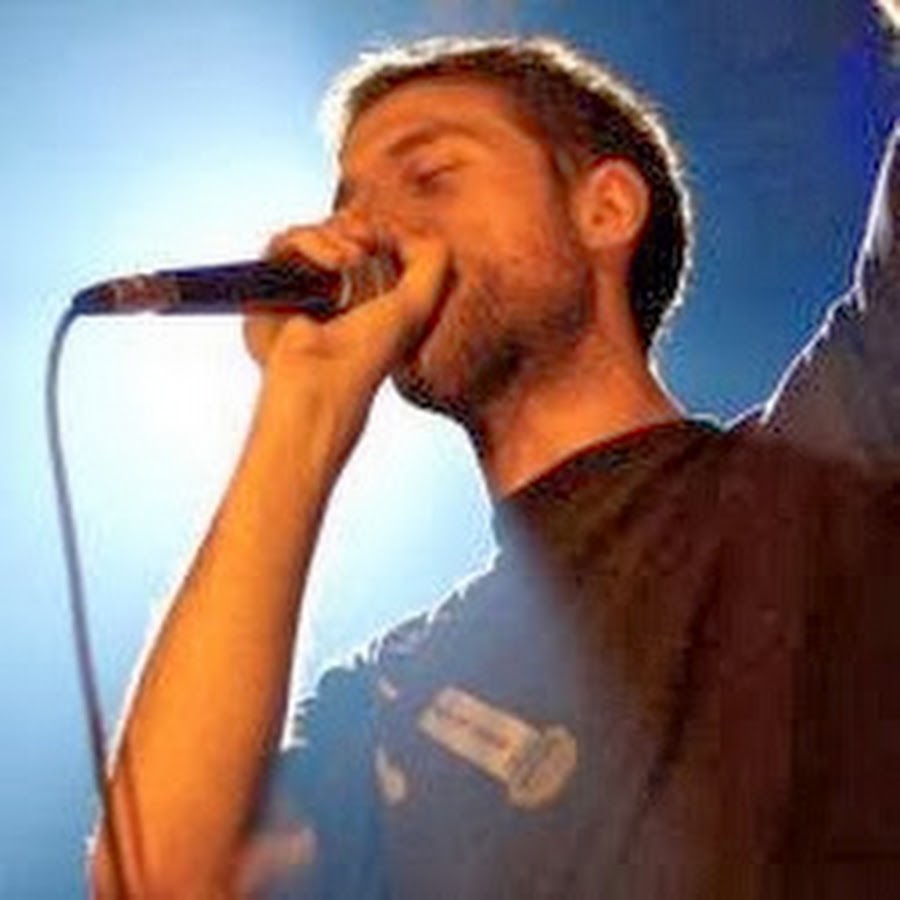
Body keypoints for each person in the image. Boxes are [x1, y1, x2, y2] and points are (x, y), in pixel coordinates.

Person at [89, 36, 900, 898]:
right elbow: (159, 880)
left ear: (606, 209)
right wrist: (303, 409)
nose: (361, 230)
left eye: (430, 176)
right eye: (348, 201)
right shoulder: (396, 693)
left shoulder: (842, 448)